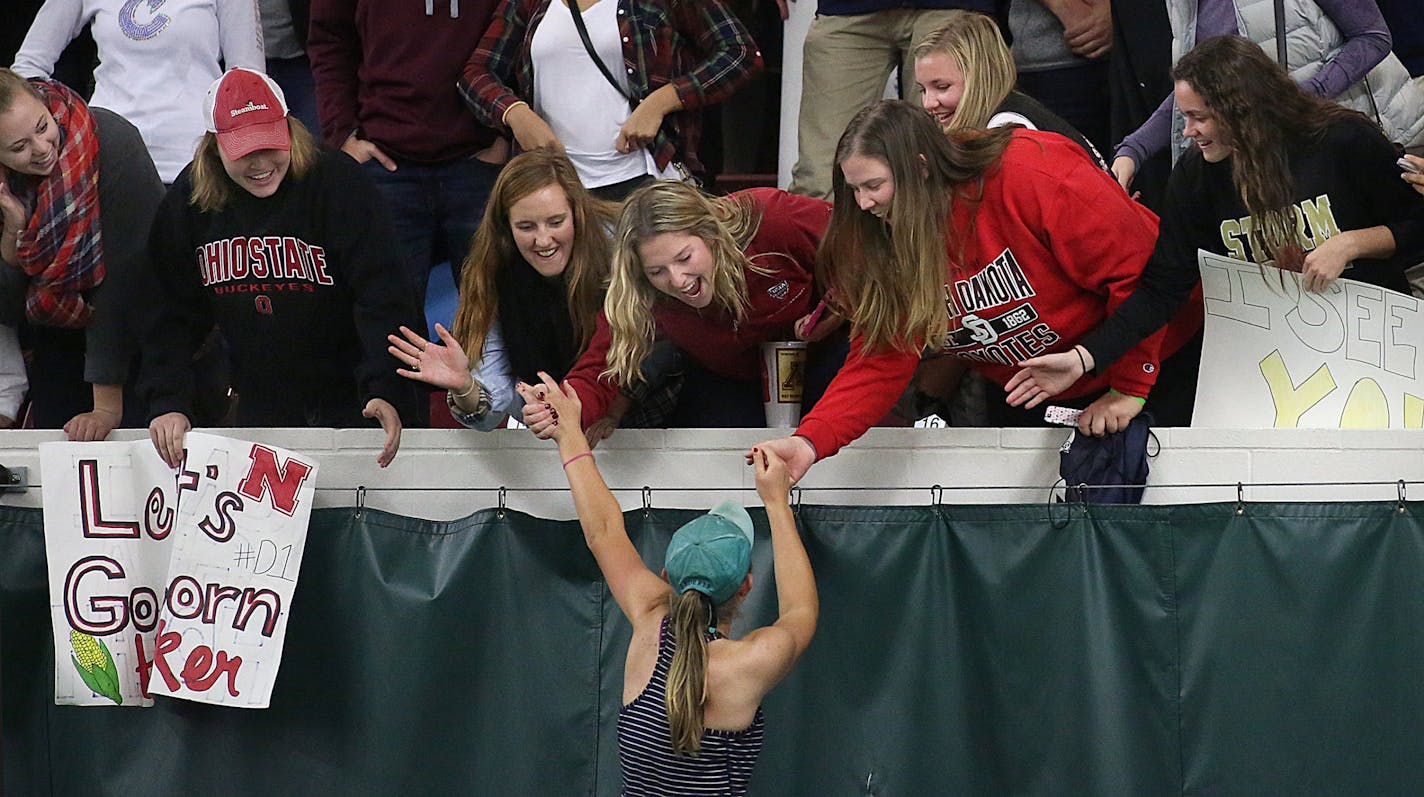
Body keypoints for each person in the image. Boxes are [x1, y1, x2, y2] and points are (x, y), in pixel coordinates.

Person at [1007, 35, 1424, 420]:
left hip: (1376, 350)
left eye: (1198, 118)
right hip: (1276, 364)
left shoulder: (1341, 140)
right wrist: (1085, 358)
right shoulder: (1195, 177)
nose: (1187, 132)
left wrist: (1352, 244)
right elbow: (1160, 290)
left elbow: (1417, 228)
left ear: (1239, 109)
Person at [753, 99, 1167, 481]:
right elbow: (878, 361)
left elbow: (1142, 273)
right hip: (1042, 388)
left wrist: (1130, 386)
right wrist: (810, 442)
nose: (862, 203)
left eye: (874, 186)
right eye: (853, 189)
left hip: (1160, 354)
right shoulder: (886, 235)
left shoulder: (1027, 173)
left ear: (920, 167)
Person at [518, 370, 816, 796]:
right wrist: (775, 501)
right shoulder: (752, 662)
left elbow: (603, 531)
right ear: (747, 585)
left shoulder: (648, 621)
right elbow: (800, 612)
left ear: (665, 579)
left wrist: (569, 435)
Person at [140, 68, 425, 469]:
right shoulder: (189, 202)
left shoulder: (338, 182)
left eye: (270, 145)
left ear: (290, 129)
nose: (260, 163)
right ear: (214, 146)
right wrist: (169, 401)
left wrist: (386, 389)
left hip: (355, 392)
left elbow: (385, 296)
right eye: (243, 151)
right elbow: (166, 311)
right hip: (262, 393)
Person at [523, 180, 837, 434]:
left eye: (684, 257)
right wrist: (560, 407)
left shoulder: (769, 217)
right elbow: (600, 369)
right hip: (732, 380)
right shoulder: (640, 292)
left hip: (824, 354)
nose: (677, 280)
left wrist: (839, 306)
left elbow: (860, 244)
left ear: (711, 235)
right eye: (657, 271)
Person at [386, 148, 623, 433]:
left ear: (578, 213)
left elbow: (656, 347)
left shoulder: (620, 247)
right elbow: (489, 409)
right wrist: (464, 388)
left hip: (640, 409)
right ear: (506, 228)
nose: (543, 239)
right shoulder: (492, 271)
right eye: (526, 226)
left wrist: (618, 411)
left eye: (556, 222)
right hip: (550, 422)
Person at [308, 0, 507, 308]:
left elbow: (523, 30)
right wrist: (343, 135)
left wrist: (504, 134)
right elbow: (329, 39)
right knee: (389, 326)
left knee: (499, 319)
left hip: (481, 161)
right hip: (384, 165)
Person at [1111, 0, 1424, 194]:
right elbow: (1197, 88)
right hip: (1287, 160)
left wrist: (1299, 99)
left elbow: (1373, 37)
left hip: (1373, 138)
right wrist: (1134, 150)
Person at [458, 0, 762, 200]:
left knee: (645, 292)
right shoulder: (530, 2)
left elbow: (741, 54)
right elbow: (474, 72)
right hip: (553, 186)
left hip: (643, 177)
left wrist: (663, 101)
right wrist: (515, 113)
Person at [0, 69, 163, 438]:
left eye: (42, 127)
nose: (42, 149)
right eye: (19, 147)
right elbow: (6, 308)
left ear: (43, 102)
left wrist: (105, 408)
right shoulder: (5, 187)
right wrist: (14, 231)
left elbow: (125, 278)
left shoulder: (114, 141)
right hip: (58, 336)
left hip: (140, 336)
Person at [13, 0, 263, 184]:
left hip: (197, 161)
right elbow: (27, 70)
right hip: (109, 160)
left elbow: (250, 81)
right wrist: (56, 127)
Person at [913, 10, 1106, 167]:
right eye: (923, 90)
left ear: (980, 77)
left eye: (942, 87)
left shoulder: (1007, 126)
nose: (929, 103)